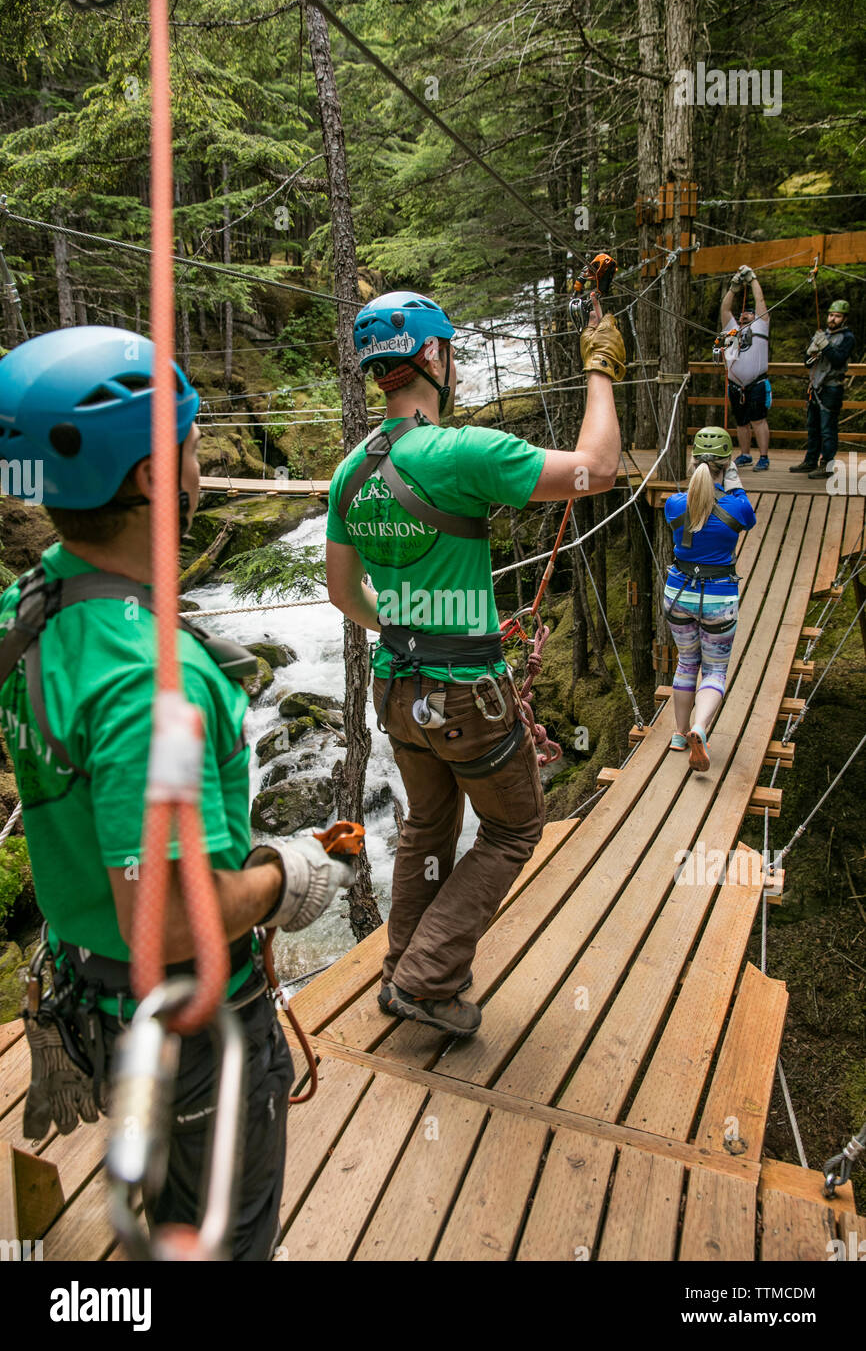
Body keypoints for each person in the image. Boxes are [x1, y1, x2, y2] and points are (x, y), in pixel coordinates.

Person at [0, 326, 352, 1261]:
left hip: (94, 994)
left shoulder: (28, 612)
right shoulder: (151, 680)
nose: (203, 463)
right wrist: (292, 874)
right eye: (193, 444)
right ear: (158, 476)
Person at [326, 290, 624, 1038]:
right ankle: (426, 979)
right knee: (514, 829)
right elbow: (598, 469)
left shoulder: (349, 474)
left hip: (397, 687)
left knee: (428, 825)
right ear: (433, 357)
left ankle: (403, 967)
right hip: (465, 697)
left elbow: (341, 592)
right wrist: (601, 369)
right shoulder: (462, 452)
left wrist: (399, 623)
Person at [663, 426, 756, 773]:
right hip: (718, 599)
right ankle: (699, 728)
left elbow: (689, 513)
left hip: (678, 595)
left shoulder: (674, 505)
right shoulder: (737, 507)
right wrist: (734, 480)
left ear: (693, 463)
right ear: (726, 464)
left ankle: (677, 733)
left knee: (687, 663)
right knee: (714, 670)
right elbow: (746, 512)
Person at [789, 299, 856, 479]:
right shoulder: (822, 334)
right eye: (831, 315)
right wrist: (811, 351)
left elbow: (838, 359)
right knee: (813, 426)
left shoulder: (847, 337)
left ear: (844, 319)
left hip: (831, 387)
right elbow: (806, 363)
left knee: (828, 428)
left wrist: (825, 346)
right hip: (816, 386)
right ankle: (810, 460)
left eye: (837, 316)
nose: (833, 319)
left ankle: (826, 464)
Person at [719, 264, 772, 472]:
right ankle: (745, 454)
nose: (744, 316)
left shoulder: (761, 326)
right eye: (742, 314)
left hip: (756, 381)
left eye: (749, 314)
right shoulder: (733, 330)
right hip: (735, 384)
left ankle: (764, 456)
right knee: (741, 422)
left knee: (758, 420)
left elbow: (760, 302)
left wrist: (752, 280)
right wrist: (733, 288)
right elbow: (724, 309)